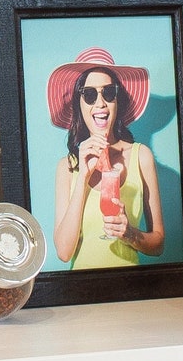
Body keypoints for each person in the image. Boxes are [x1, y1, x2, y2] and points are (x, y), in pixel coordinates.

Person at [47, 47, 165, 268]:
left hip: (129, 288)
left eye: (108, 92)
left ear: (116, 101)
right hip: (82, 293)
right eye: (90, 95)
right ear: (79, 104)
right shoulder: (66, 167)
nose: (100, 103)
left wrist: (130, 234)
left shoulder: (141, 157)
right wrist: (82, 176)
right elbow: (63, 252)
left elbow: (158, 244)